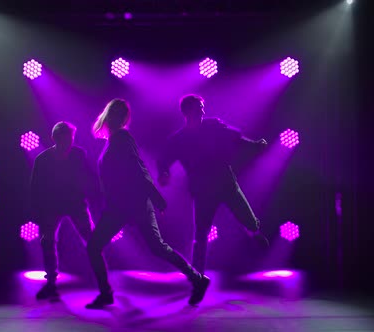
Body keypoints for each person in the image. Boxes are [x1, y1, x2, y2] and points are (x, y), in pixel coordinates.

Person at [85, 98, 210, 309]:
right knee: (99, 247)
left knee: (156, 248)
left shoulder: (122, 138)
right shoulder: (115, 139)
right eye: (113, 113)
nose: (115, 117)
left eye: (119, 114)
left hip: (133, 203)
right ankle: (106, 293)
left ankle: (197, 279)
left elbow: (138, 168)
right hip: (121, 205)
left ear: (121, 118)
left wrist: (155, 196)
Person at [156, 94, 269, 275]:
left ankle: (254, 232)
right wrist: (163, 172)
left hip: (226, 183)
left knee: (248, 219)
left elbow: (236, 139)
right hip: (203, 192)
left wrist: (255, 145)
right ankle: (198, 277)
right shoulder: (179, 139)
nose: (202, 109)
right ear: (187, 111)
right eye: (199, 107)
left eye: (202, 106)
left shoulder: (213, 125)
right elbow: (164, 159)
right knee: (201, 235)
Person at [29, 121, 100, 302]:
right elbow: (35, 188)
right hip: (57, 204)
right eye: (66, 137)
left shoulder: (73, 155)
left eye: (70, 137)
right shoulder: (51, 158)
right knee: (50, 242)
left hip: (70, 203)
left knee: (89, 241)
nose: (69, 141)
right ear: (55, 138)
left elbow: (88, 178)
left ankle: (101, 282)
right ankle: (53, 283)